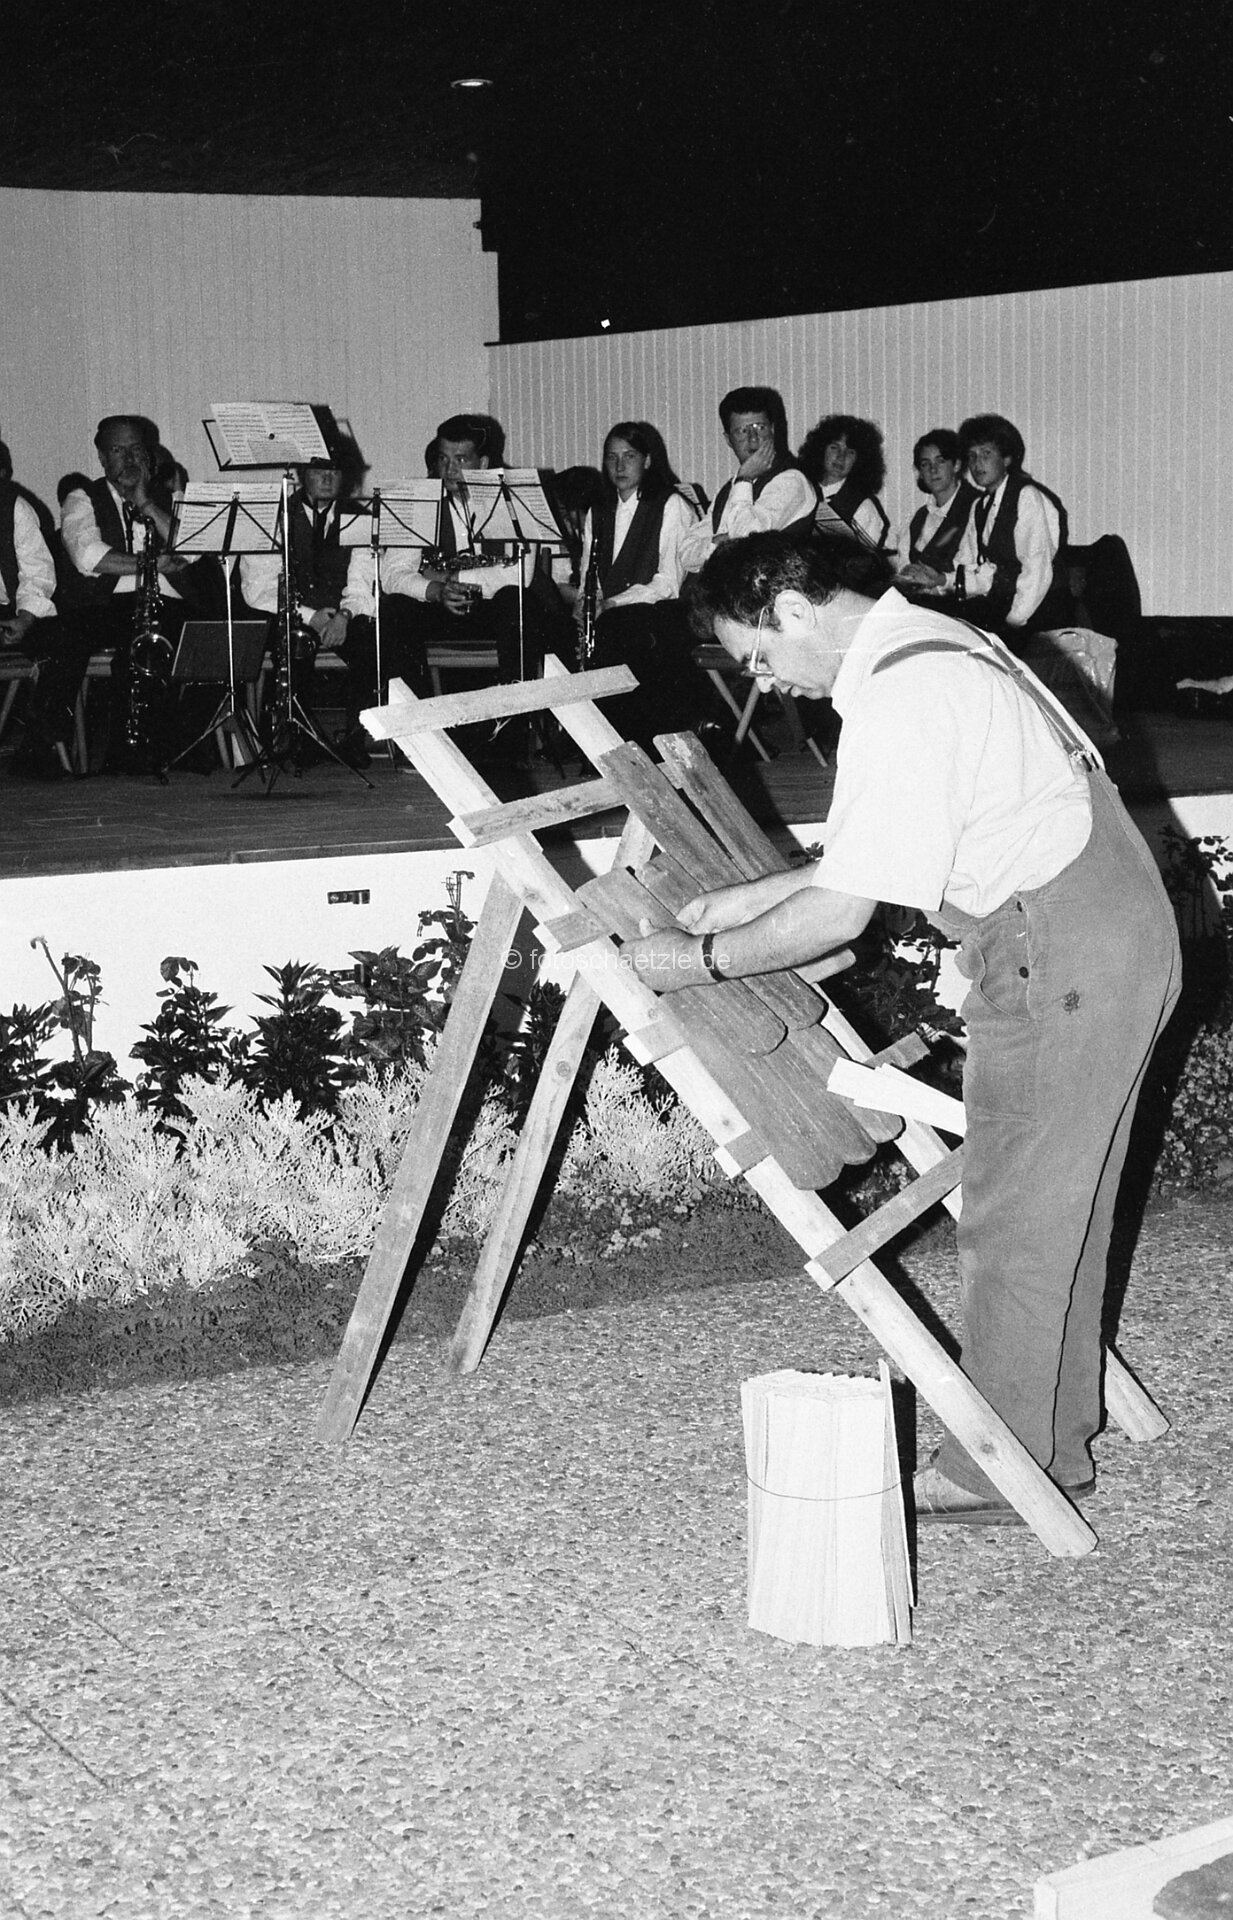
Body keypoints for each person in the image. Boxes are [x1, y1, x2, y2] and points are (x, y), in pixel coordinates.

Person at [621, 530, 1180, 1523]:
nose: (764, 681)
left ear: (794, 611)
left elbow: (841, 915)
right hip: (1114, 930)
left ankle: (995, 1474)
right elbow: (885, 851)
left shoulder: (902, 693)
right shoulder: (935, 642)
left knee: (1013, 1220)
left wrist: (695, 958)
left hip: (1059, 951)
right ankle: (1049, 1446)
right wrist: (750, 898)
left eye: (756, 655)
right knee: (1067, 1207)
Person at [383, 413, 569, 751]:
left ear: (483, 463)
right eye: (443, 459)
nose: (449, 469)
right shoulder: (419, 499)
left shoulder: (512, 497)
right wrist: (434, 590)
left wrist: (452, 578)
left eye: (461, 459)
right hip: (441, 608)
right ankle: (421, 734)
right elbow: (393, 574)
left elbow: (518, 573)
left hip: (492, 610)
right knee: (396, 608)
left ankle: (511, 732)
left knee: (516, 600)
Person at [240, 451, 426, 765]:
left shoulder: (360, 517)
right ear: (300, 474)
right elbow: (259, 589)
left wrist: (344, 616)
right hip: (287, 614)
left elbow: (362, 581)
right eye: (318, 471)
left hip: (338, 614)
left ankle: (355, 738)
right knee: (295, 647)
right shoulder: (271, 516)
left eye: (335, 471)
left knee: (372, 643)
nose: (327, 478)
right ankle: (294, 740)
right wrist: (311, 616)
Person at [58, 415, 201, 772]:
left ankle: (178, 746)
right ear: (102, 457)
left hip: (168, 602)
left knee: (200, 636)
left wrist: (145, 502)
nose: (129, 458)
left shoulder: (168, 497)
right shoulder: (83, 498)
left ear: (148, 454)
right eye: (118, 450)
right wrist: (150, 564)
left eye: (136, 449)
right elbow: (88, 556)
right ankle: (128, 751)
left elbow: (194, 549)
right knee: (133, 641)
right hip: (107, 603)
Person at [574, 421, 700, 745]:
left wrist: (610, 604)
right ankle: (588, 738)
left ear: (647, 460)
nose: (619, 466)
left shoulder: (671, 505)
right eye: (611, 457)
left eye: (629, 456)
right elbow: (590, 574)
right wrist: (586, 602)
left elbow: (668, 583)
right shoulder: (599, 510)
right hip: (611, 612)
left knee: (622, 629)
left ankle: (628, 739)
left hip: (664, 612)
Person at [907, 413, 1072, 642]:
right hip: (1007, 608)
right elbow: (986, 573)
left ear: (1006, 459)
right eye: (972, 456)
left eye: (986, 454)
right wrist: (942, 580)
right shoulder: (980, 506)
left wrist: (1011, 624)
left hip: (1040, 612)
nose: (977, 464)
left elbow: (1036, 571)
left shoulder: (1026, 497)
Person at [0, 446, 84, 778]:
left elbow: (37, 572)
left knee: (67, 639)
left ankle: (38, 745)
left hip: (10, 612)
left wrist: (24, 618)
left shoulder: (15, 508)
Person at [676, 387, 816, 578]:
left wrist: (744, 479)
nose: (753, 439)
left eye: (760, 427)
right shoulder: (732, 488)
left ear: (773, 430)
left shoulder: (791, 480)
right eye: (742, 431)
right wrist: (721, 542)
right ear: (728, 439)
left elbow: (746, 541)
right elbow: (686, 554)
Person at [895, 430, 979, 590]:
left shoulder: (976, 508)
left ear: (956, 465)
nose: (933, 470)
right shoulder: (919, 517)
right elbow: (904, 565)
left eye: (940, 461)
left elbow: (976, 574)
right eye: (925, 464)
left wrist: (938, 581)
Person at [798, 414, 891, 550]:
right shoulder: (800, 489)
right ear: (821, 449)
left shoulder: (864, 507)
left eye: (850, 452)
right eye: (834, 447)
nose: (841, 457)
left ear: (859, 461)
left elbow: (867, 559)